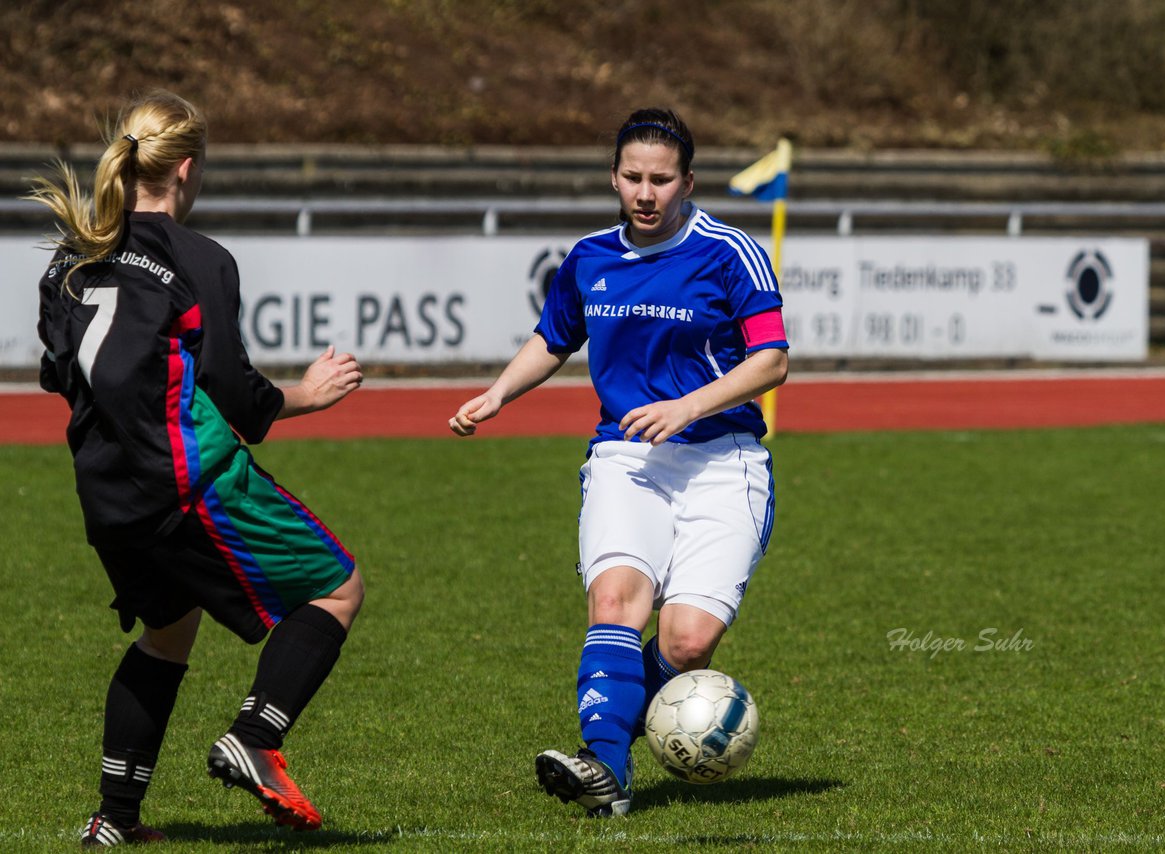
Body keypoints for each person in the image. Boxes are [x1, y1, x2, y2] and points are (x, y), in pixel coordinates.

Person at [26, 90, 366, 846]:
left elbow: (59, 375)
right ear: (185, 169)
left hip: (107, 497)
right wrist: (308, 394)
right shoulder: (201, 260)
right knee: (338, 587)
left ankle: (114, 820)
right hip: (189, 482)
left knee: (168, 631)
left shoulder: (69, 258)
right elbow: (238, 399)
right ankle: (256, 736)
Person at [449, 107, 788, 817]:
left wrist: (688, 407)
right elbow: (553, 337)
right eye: (632, 176)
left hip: (722, 462)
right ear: (613, 176)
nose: (645, 192)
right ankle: (607, 770)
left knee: (688, 642)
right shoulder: (590, 257)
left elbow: (771, 360)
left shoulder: (730, 253)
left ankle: (615, 734)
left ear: (687, 182)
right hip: (626, 460)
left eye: (661, 180)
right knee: (614, 603)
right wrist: (497, 393)